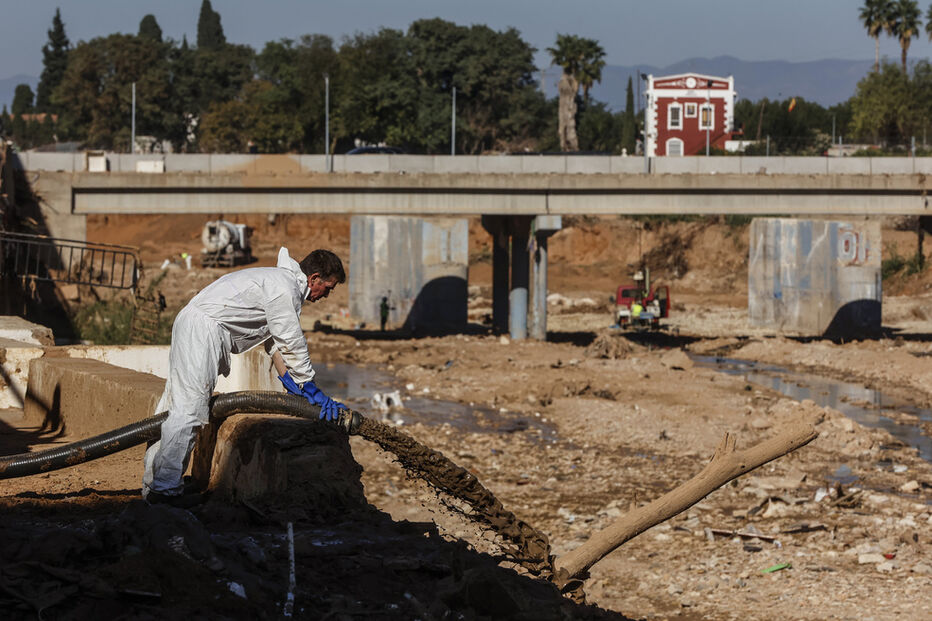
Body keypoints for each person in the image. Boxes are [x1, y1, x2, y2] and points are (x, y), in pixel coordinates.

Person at [142, 247, 346, 507]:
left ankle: (155, 486)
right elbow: (291, 342)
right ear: (314, 278)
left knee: (175, 406)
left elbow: (275, 345)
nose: (326, 296)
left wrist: (294, 384)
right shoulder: (284, 288)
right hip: (203, 329)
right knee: (188, 410)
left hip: (194, 324)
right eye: (327, 288)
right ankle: (164, 491)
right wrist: (309, 385)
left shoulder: (279, 284)